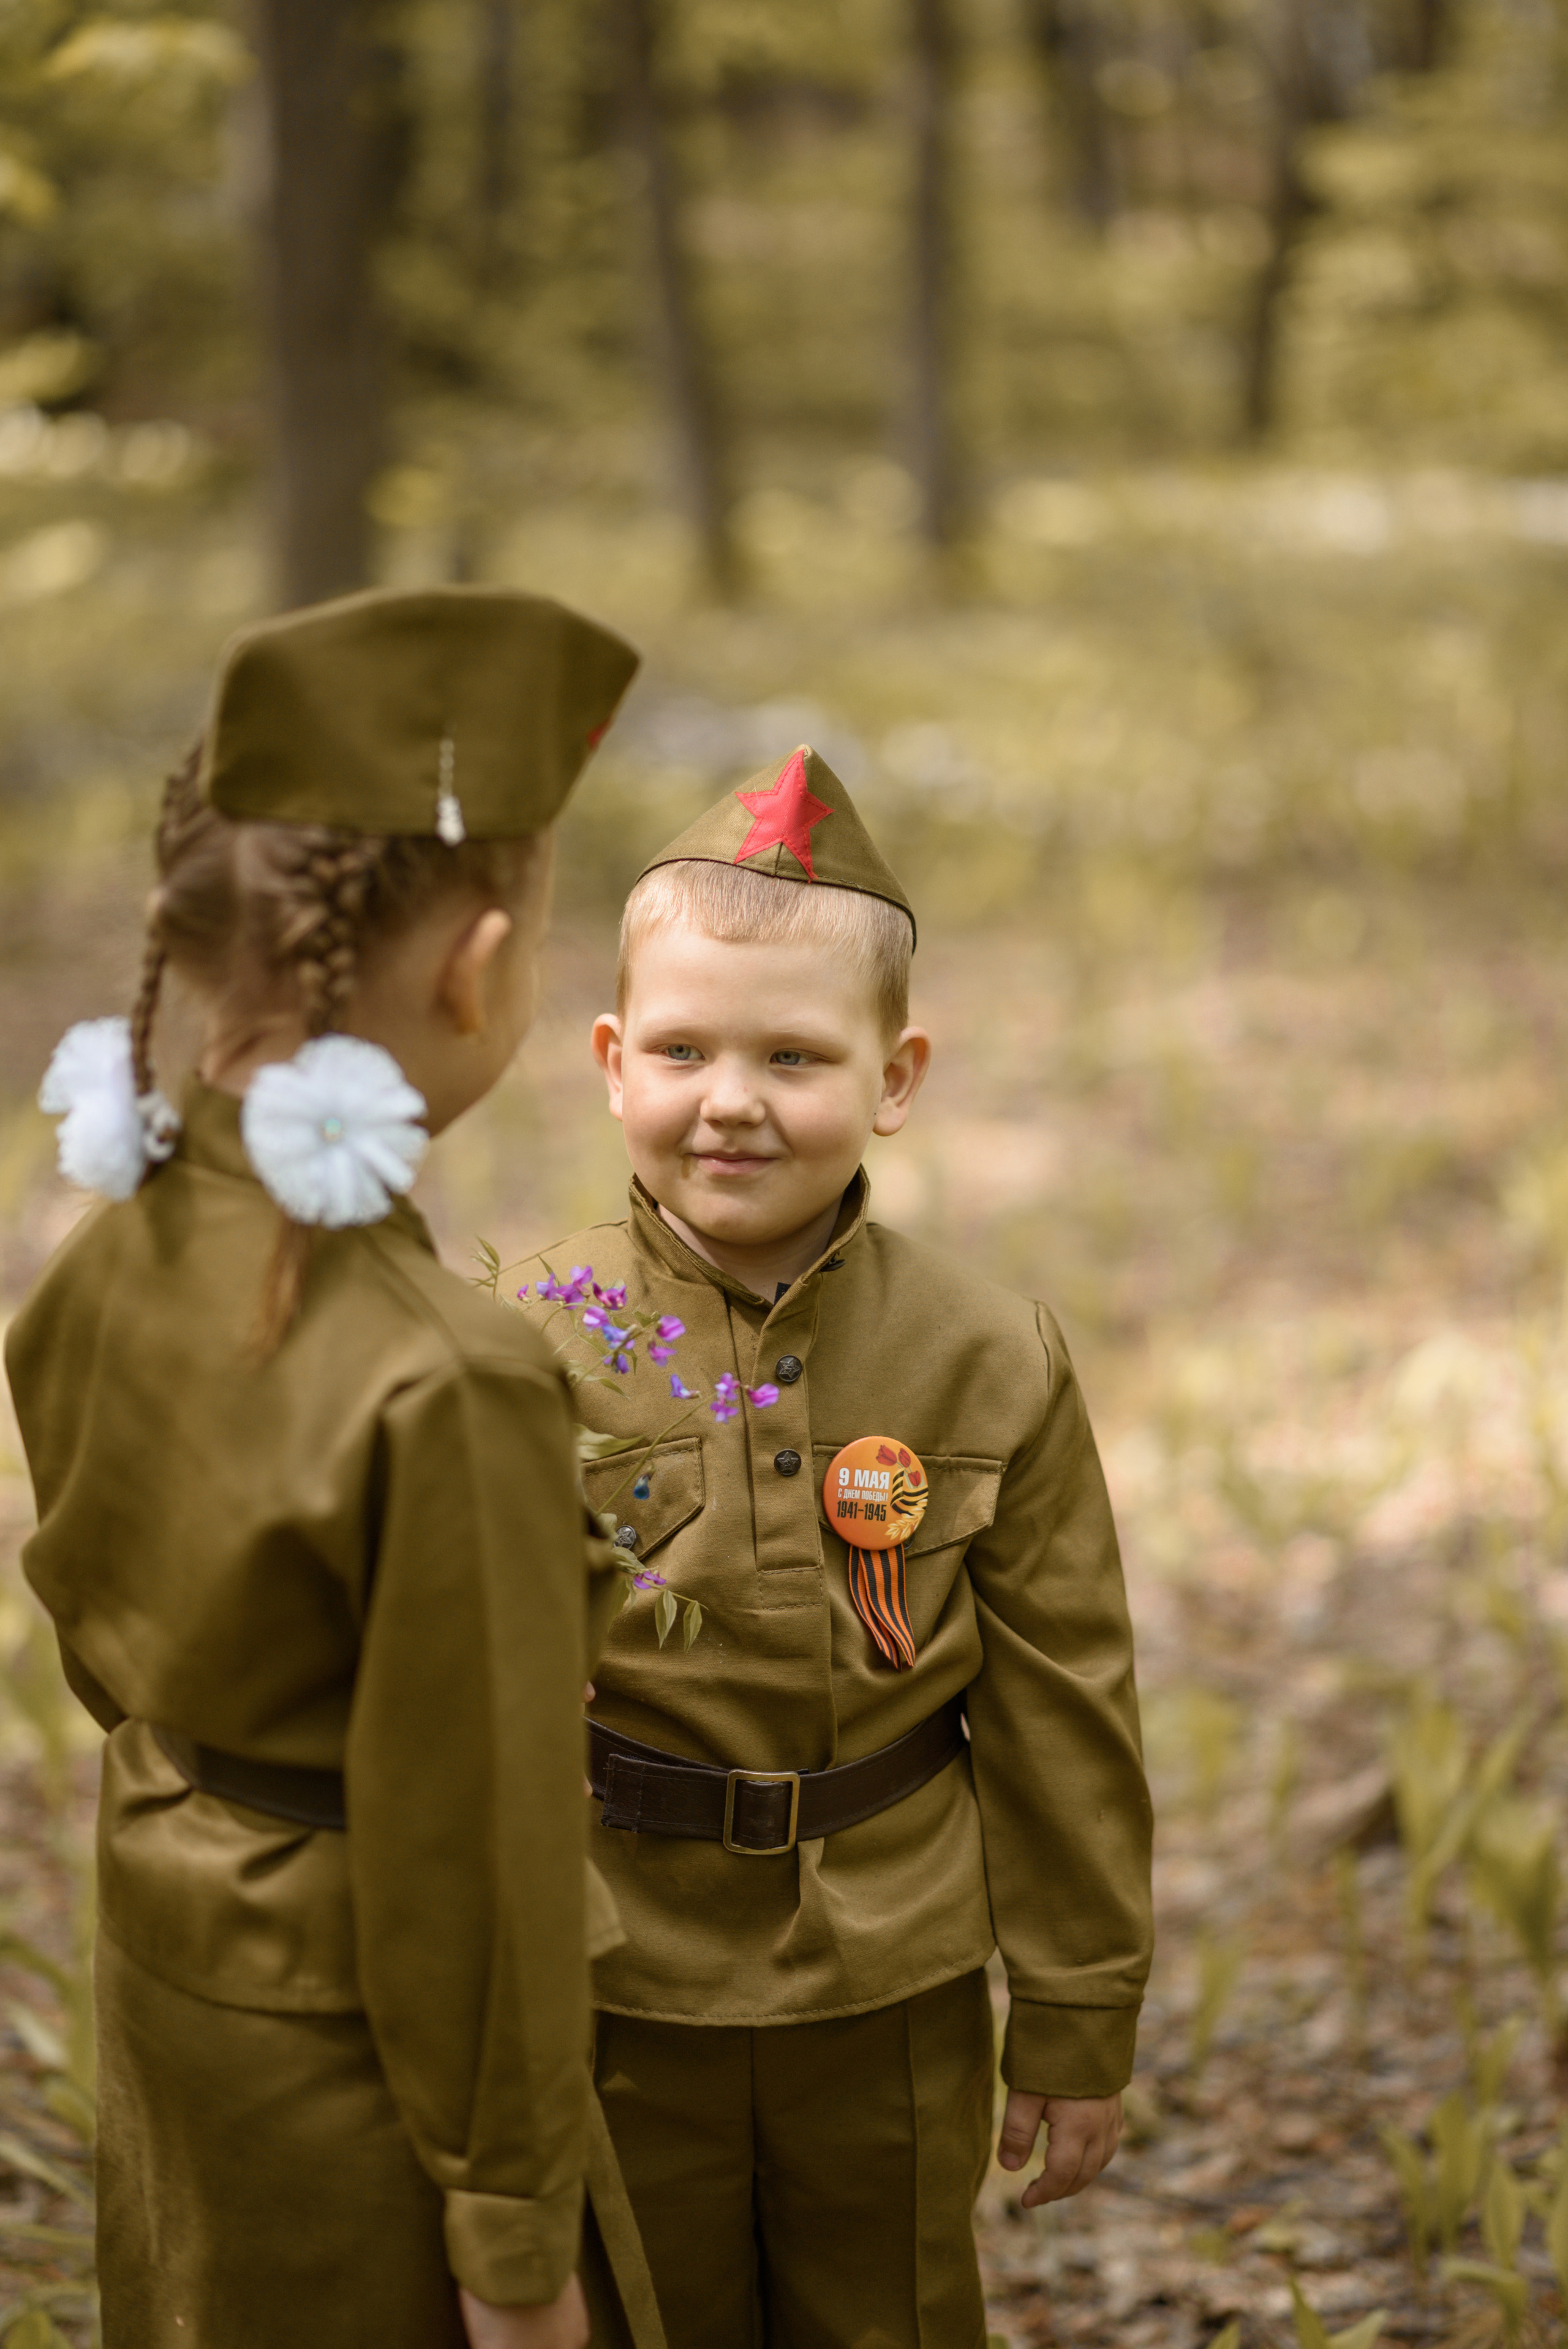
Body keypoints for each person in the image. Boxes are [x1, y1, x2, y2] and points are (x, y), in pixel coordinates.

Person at [4, 588, 666, 2349]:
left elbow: (99, 1623)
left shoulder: (102, 1242)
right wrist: (517, 2249)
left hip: (170, 1976)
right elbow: (489, 1859)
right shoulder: (452, 1381)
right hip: (380, 2073)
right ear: (476, 967)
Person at [518, 744, 1156, 2349]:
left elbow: (1064, 1699)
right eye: (681, 1047)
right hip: (613, 1978)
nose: (730, 1098)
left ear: (897, 1073)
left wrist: (1077, 2011)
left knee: (893, 2321)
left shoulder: (987, 1355)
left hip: (890, 1983)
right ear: (609, 1060)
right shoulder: (517, 1341)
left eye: (794, 1055)